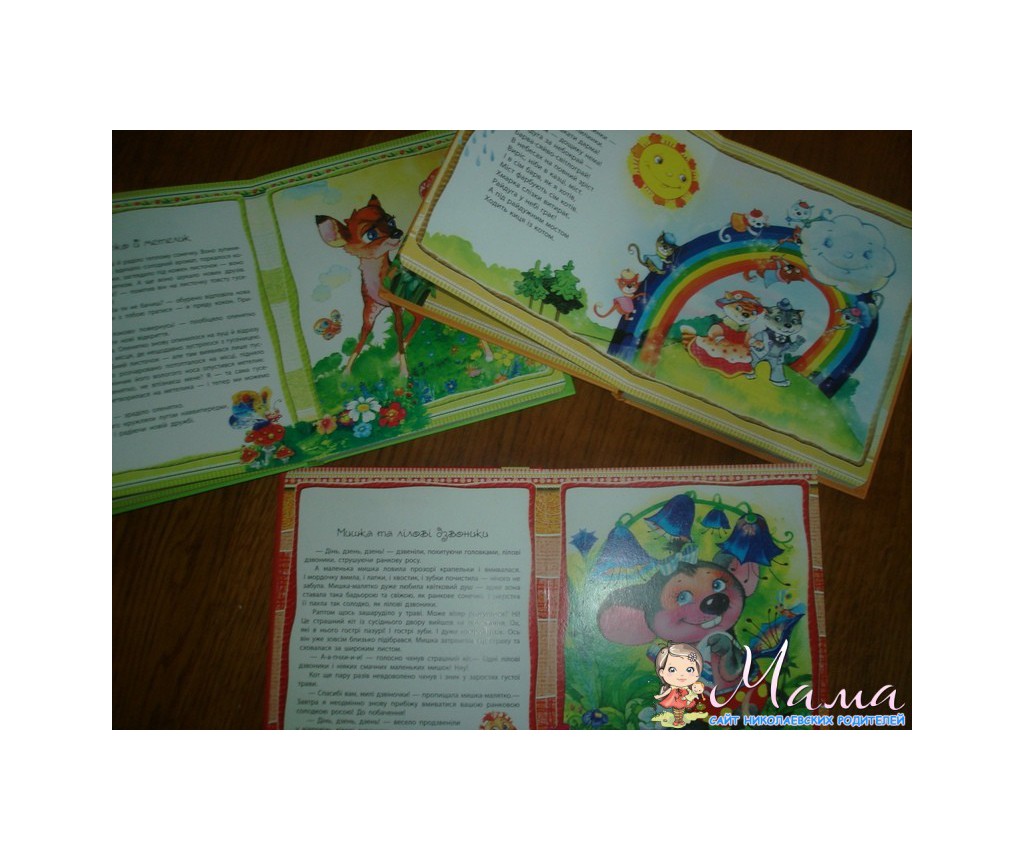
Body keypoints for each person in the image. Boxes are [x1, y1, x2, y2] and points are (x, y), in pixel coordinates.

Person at [652, 643, 709, 728]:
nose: (682, 675)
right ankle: (677, 720)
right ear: (662, 672)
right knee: (677, 711)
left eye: (689, 669)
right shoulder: (672, 687)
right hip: (674, 699)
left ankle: (680, 720)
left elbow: (692, 693)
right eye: (672, 669)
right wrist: (660, 696)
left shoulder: (688, 688)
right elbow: (667, 691)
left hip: (684, 700)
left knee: (681, 711)